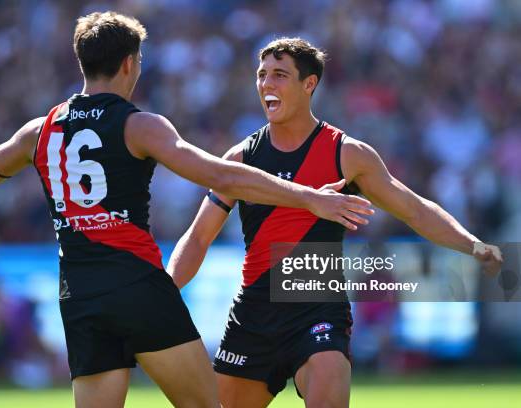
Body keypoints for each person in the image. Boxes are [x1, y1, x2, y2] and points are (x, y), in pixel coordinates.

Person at [0, 13, 374, 408]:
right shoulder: (139, 125)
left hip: (80, 296)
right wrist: (309, 197)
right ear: (129, 64)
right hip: (137, 283)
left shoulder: (38, 132)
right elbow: (222, 177)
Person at [168, 37, 503, 408]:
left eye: (280, 75)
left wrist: (472, 244)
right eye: (262, 75)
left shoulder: (347, 154)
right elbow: (198, 238)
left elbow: (415, 209)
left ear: (308, 84)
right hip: (254, 314)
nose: (267, 84)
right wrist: (161, 294)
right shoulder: (241, 157)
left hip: (318, 307)